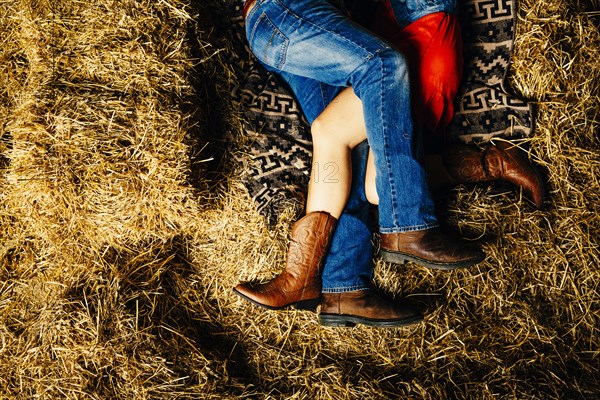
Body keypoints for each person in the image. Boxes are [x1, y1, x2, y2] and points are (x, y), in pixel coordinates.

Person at [234, 0, 544, 327]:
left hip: (315, 23)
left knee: (341, 139)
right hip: (287, 11)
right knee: (383, 66)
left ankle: (341, 287)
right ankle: (409, 222)